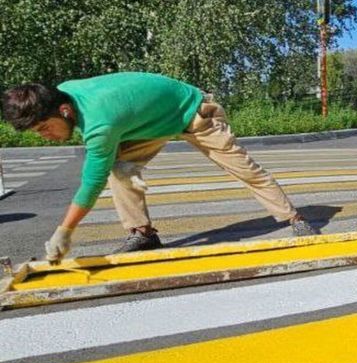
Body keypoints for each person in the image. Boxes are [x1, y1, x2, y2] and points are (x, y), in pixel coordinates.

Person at [1, 72, 319, 261]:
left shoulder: (100, 123)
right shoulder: (63, 91)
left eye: (45, 128)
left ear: (65, 110)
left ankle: (295, 217)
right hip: (151, 124)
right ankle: (143, 234)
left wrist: (64, 231)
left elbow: (90, 183)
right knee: (119, 167)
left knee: (242, 167)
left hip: (193, 112)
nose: (46, 136)